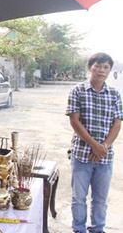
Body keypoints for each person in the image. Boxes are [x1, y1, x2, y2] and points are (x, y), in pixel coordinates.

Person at [66, 52, 122, 233]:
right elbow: (75, 121)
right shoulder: (78, 90)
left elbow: (117, 123)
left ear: (109, 71)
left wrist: (103, 147)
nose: (101, 70)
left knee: (100, 199)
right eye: (97, 66)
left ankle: (98, 228)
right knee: (79, 197)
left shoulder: (114, 94)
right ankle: (78, 229)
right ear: (90, 67)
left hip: (105, 157)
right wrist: (94, 145)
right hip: (81, 154)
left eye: (106, 67)